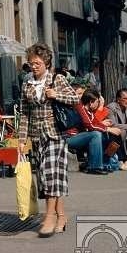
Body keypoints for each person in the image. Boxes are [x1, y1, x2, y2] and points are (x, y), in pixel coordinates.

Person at [18, 42, 80, 238]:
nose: (33, 66)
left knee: (50, 174)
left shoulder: (57, 79)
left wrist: (56, 94)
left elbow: (76, 99)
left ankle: (50, 217)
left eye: (37, 63)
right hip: (36, 136)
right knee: (46, 177)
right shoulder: (27, 83)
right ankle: (61, 216)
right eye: (31, 63)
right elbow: (25, 113)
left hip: (55, 133)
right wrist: (21, 138)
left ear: (46, 62)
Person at [65, 89, 117, 174]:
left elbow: (95, 122)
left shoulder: (89, 111)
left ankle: (104, 163)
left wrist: (107, 128)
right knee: (96, 134)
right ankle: (94, 166)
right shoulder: (80, 107)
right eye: (97, 102)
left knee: (104, 135)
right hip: (70, 138)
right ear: (91, 102)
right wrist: (108, 129)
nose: (98, 104)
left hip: (80, 136)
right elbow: (90, 125)